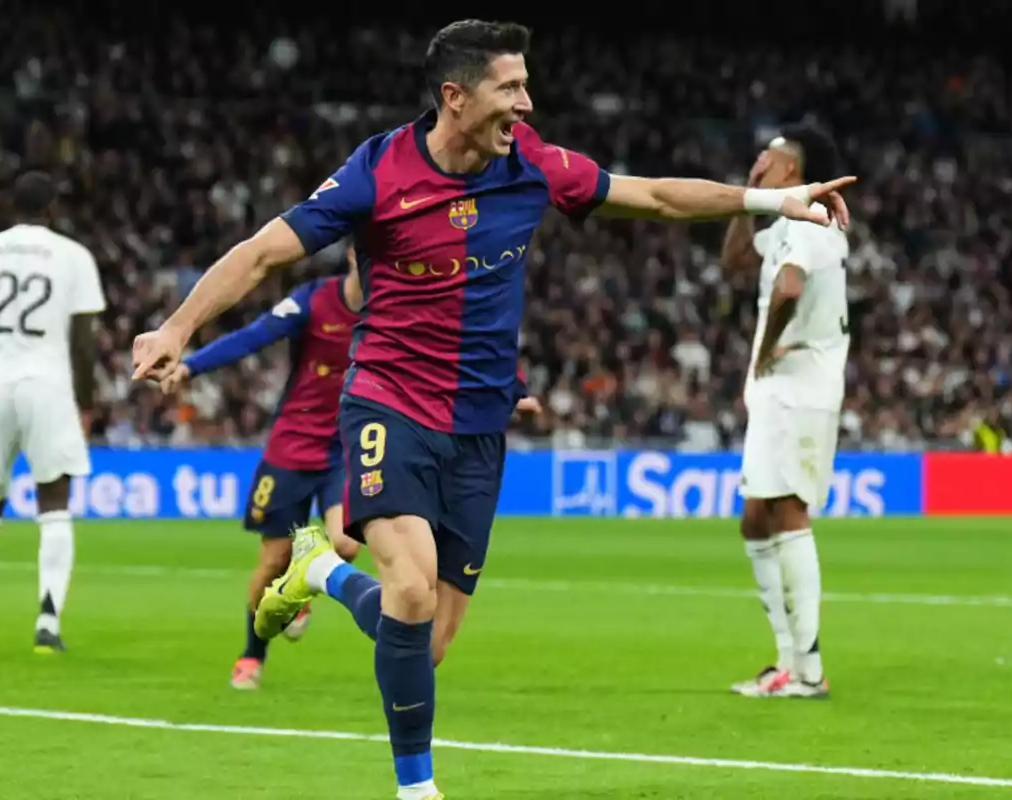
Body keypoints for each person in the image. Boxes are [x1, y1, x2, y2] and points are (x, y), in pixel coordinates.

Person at [131, 20, 854, 800]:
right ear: (455, 97)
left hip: (478, 428)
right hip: (389, 401)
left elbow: (650, 197)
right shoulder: (377, 171)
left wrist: (777, 200)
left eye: (524, 85)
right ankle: (418, 788)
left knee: (426, 643)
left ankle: (322, 571)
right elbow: (265, 251)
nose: (526, 102)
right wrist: (177, 327)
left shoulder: (533, 165)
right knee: (408, 592)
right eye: (510, 88)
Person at [160, 246, 365, 689]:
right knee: (272, 561)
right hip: (292, 447)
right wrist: (191, 367)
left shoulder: (393, 313)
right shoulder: (312, 299)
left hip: (346, 448)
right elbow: (252, 336)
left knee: (348, 543)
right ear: (352, 254)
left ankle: (303, 579)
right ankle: (252, 655)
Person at [719, 124, 850, 699]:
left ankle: (810, 669)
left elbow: (790, 290)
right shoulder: (785, 226)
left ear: (791, 169)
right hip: (779, 390)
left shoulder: (812, 222)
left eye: (767, 157)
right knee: (755, 518)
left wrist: (768, 344)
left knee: (789, 511)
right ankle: (787, 659)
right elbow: (736, 261)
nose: (760, 160)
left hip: (800, 386)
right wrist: (745, 198)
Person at [0, 171, 104, 654]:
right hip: (47, 384)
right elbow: (84, 344)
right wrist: (87, 405)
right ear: (51, 208)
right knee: (54, 504)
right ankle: (47, 621)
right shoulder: (73, 257)